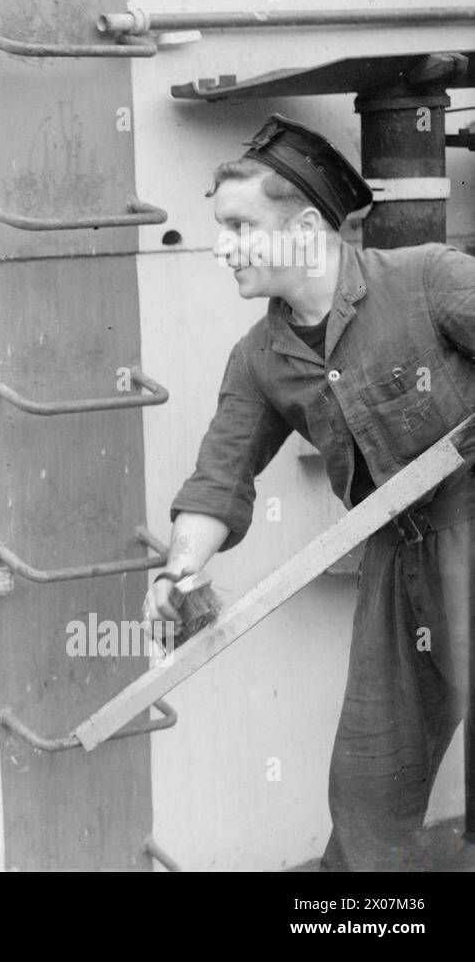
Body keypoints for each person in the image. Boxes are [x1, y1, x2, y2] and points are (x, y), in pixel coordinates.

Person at [146, 114, 474, 871]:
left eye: (238, 225)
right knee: (367, 791)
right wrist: (179, 569)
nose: (220, 246)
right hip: (399, 565)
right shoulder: (260, 358)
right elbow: (219, 476)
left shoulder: (429, 280)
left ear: (301, 227)